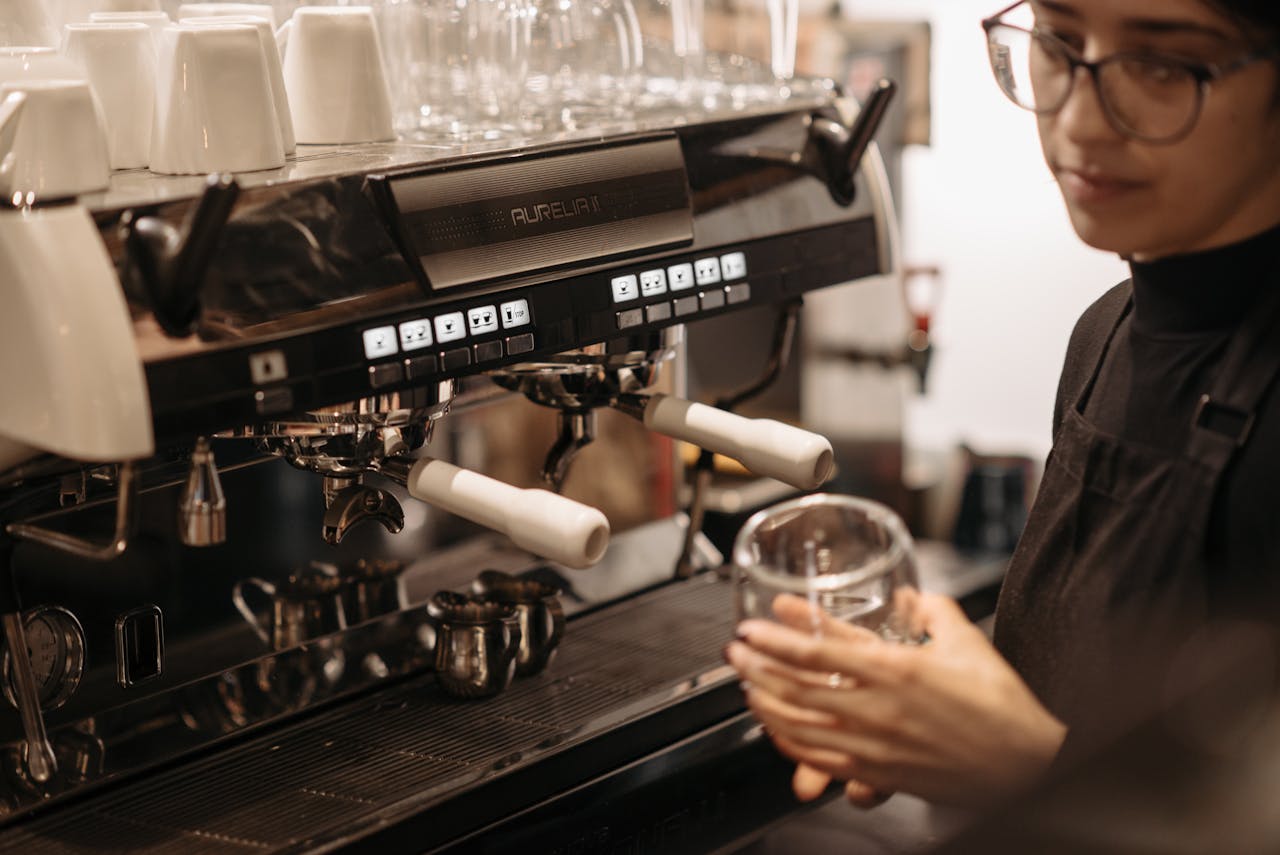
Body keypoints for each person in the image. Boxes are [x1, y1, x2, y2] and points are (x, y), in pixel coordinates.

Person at [726, 0, 1280, 814]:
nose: (1082, 122)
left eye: (1163, 66)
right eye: (1058, 43)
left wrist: (1019, 765)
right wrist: (935, 710)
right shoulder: (1105, 332)